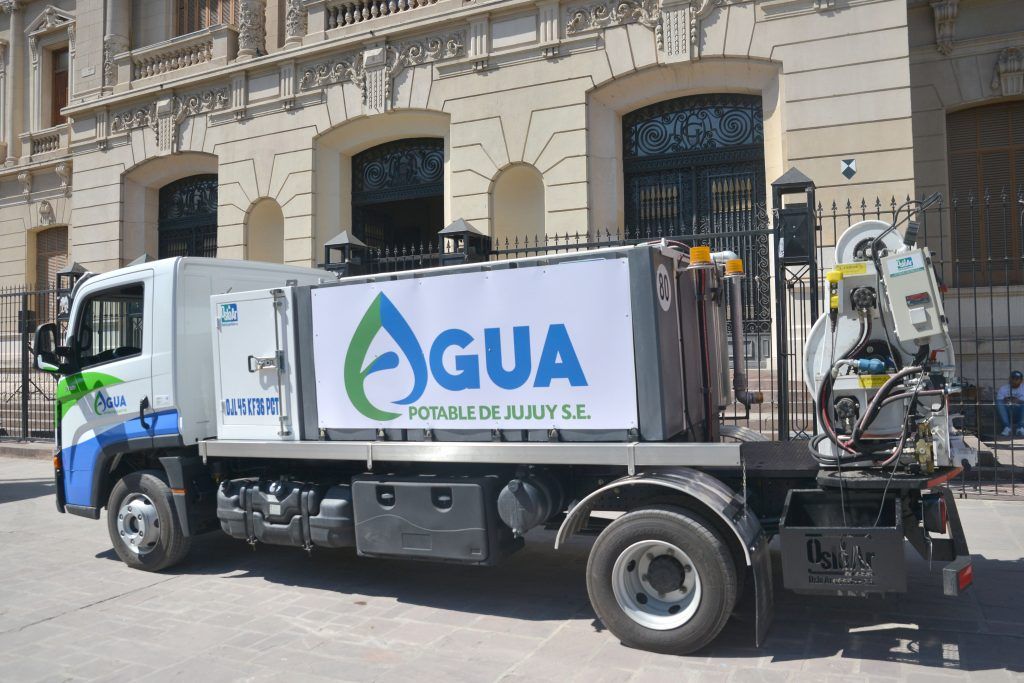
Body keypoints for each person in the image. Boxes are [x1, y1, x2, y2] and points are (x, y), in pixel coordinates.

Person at [996, 370, 1024, 437]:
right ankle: (1007, 428)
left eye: (1017, 379)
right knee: (998, 402)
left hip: (1020, 412)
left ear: (1021, 380)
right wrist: (1005, 400)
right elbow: (999, 400)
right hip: (1007, 411)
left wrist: (1019, 401)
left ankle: (1020, 428)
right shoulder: (1003, 388)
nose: (1014, 381)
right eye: (1013, 378)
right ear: (1010, 379)